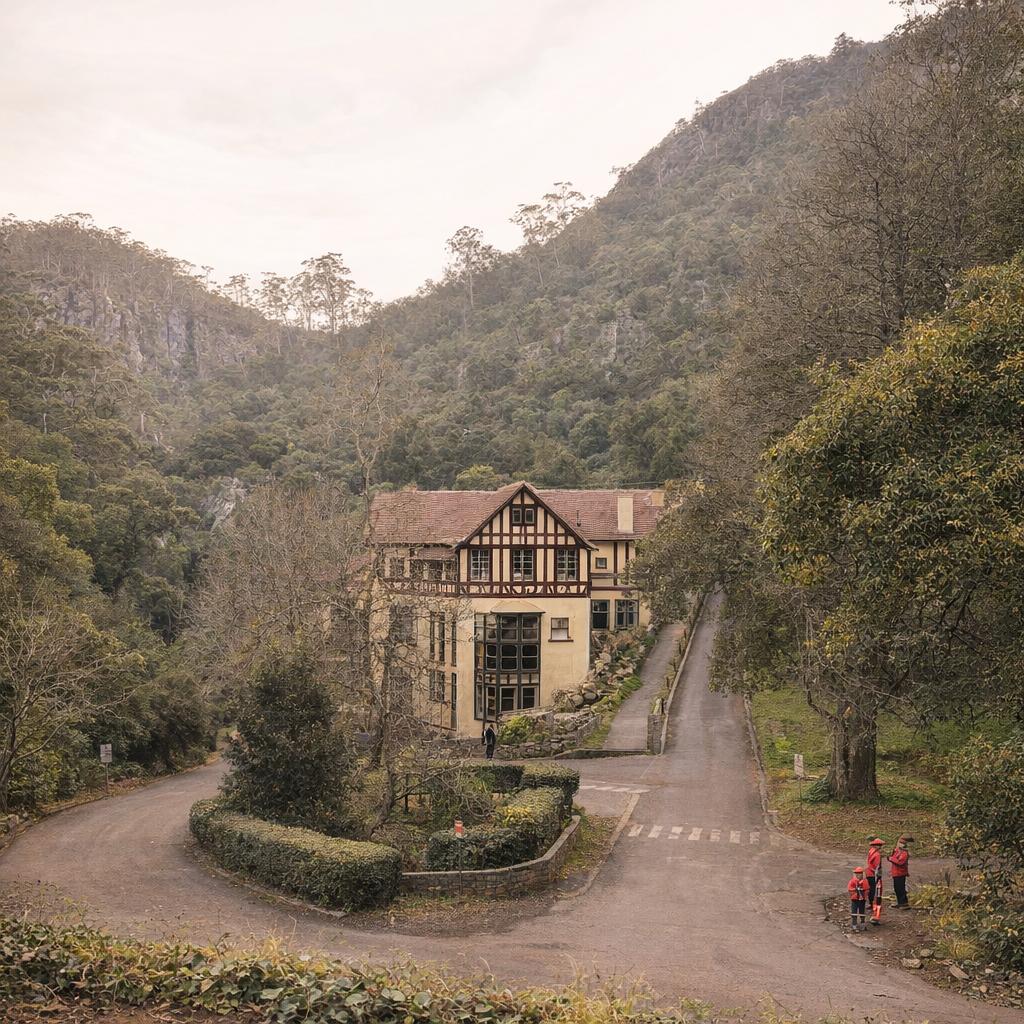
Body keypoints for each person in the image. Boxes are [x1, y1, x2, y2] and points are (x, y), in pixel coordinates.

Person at [888, 836, 912, 908]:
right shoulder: (898, 851)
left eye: (899, 843)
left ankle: (904, 903)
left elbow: (900, 862)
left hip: (900, 873)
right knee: (897, 888)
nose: (898, 844)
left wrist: (891, 859)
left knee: (900, 888)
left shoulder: (904, 853)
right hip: (896, 872)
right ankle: (900, 902)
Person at [866, 837, 885, 922]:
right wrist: (878, 875)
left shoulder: (870, 851)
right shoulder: (877, 854)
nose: (880, 847)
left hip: (868, 872)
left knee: (870, 889)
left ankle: (870, 903)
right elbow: (877, 867)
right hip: (873, 874)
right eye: (879, 845)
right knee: (875, 890)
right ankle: (874, 904)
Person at [847, 866, 869, 932]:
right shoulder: (852, 881)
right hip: (854, 899)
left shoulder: (865, 881)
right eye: (857, 873)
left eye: (860, 873)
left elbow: (867, 889)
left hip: (862, 899)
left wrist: (863, 892)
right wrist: (855, 890)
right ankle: (854, 925)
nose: (858, 875)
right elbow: (849, 888)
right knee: (854, 912)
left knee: (862, 912)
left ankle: (862, 924)